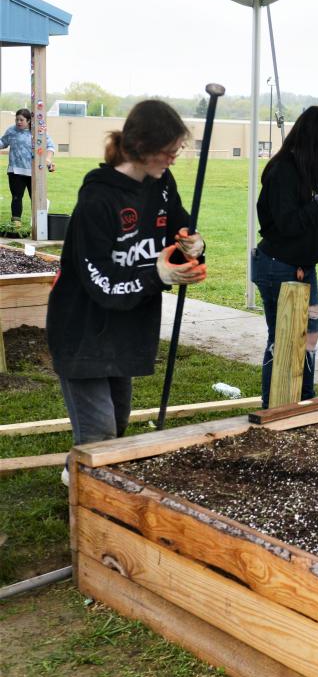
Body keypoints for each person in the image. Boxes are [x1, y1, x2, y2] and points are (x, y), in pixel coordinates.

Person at [46, 100, 206, 481]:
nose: (173, 157)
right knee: (100, 434)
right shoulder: (97, 199)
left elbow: (179, 227)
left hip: (126, 325)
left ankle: (77, 473)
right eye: (169, 149)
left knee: (115, 425)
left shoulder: (161, 184)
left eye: (176, 149)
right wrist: (159, 277)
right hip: (83, 329)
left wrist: (191, 246)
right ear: (143, 147)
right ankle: (88, 508)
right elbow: (102, 282)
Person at [251, 105, 318, 407]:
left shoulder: (311, 171)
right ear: (317, 139)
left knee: (309, 336)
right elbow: (287, 225)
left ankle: (303, 400)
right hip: (277, 266)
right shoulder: (283, 171)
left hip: (303, 267)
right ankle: (274, 406)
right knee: (283, 340)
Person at [0, 108, 56, 228]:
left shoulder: (37, 132)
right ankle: (16, 224)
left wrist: (48, 160)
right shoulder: (11, 131)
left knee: (35, 198)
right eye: (17, 120)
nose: (18, 122)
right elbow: (2, 143)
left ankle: (39, 225)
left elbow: (50, 146)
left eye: (21, 120)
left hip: (34, 172)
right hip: (15, 171)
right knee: (16, 197)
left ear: (29, 120)